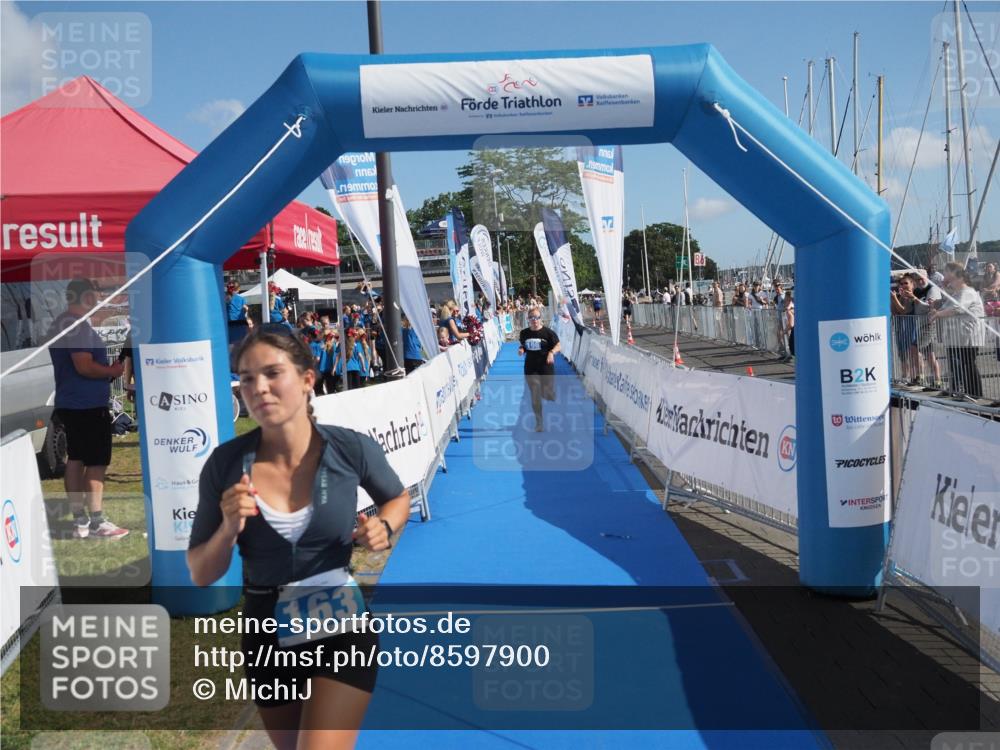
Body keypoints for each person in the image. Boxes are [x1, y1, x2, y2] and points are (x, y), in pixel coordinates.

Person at [187, 326, 409, 749]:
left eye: (273, 373)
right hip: (265, 628)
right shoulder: (226, 464)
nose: (259, 388)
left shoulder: (349, 448)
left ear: (308, 378)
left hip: (340, 622)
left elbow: (397, 498)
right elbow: (201, 572)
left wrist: (384, 525)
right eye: (247, 378)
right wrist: (228, 529)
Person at [48, 278, 128, 539]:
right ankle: (96, 521)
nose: (98, 300)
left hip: (72, 403)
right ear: (85, 297)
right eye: (95, 295)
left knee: (76, 458)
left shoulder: (62, 322)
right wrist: (112, 371)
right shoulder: (76, 325)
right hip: (86, 405)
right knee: (95, 462)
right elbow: (83, 365)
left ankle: (80, 521)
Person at [929, 262, 984, 399]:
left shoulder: (967, 292)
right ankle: (958, 389)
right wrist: (936, 308)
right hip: (957, 336)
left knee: (967, 363)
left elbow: (958, 308)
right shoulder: (958, 293)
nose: (944, 275)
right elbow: (946, 306)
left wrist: (938, 314)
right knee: (957, 362)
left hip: (968, 335)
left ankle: (974, 393)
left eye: (947, 272)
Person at [518, 307, 560, 432]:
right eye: (531, 318)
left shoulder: (548, 333)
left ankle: (549, 393)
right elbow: (524, 345)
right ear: (528, 319)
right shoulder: (524, 333)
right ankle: (539, 422)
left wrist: (551, 353)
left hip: (546, 366)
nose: (534, 320)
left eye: (536, 317)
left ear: (540, 318)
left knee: (546, 393)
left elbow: (558, 345)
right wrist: (522, 349)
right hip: (531, 368)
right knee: (535, 393)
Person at [890, 275, 920, 383]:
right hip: (901, 327)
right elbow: (895, 312)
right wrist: (894, 299)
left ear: (912, 284)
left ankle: (917, 376)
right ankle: (905, 376)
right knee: (902, 353)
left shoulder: (913, 295)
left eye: (906, 283)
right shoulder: (900, 296)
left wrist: (894, 299)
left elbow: (904, 311)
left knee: (912, 352)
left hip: (912, 326)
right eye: (901, 284)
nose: (903, 286)